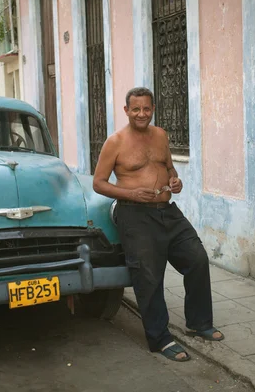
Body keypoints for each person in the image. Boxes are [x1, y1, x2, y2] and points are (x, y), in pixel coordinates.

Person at [93, 87, 224, 362]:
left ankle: (198, 323)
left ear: (153, 109)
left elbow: (169, 168)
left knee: (197, 258)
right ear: (127, 110)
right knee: (149, 276)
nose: (142, 114)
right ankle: (160, 338)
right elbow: (99, 183)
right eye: (136, 109)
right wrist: (131, 194)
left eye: (147, 109)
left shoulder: (161, 135)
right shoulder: (115, 142)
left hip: (167, 210)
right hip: (134, 214)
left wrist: (176, 181)